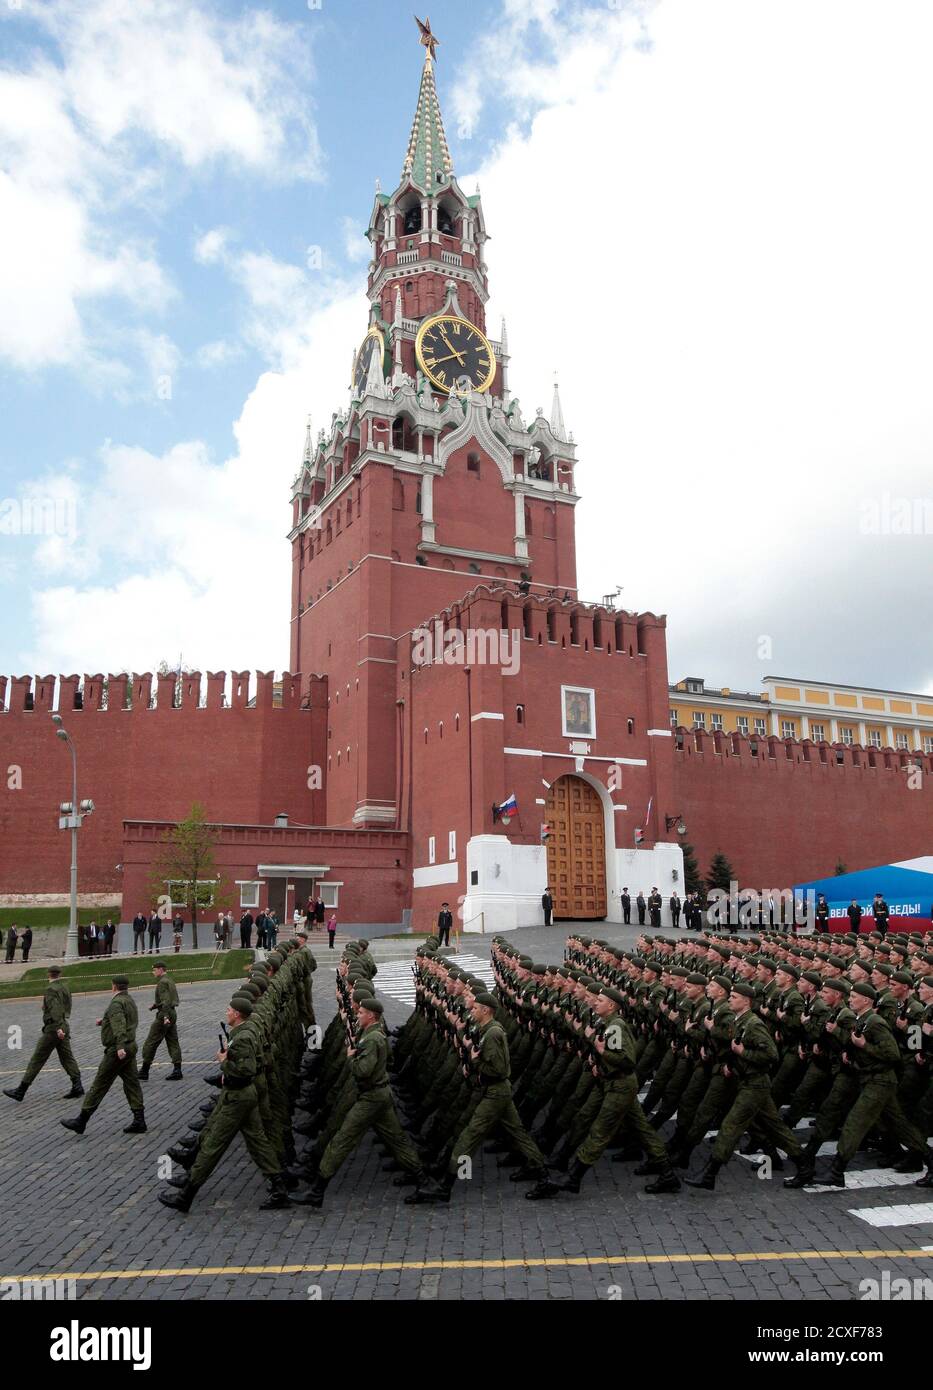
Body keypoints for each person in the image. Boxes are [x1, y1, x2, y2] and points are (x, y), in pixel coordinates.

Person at [406, 992, 558, 1204]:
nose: (472, 1010)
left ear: (486, 1010)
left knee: (470, 1136)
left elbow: (498, 1069)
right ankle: (543, 1176)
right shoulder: (485, 1029)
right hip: (496, 1090)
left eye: (476, 1008)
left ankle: (447, 1185)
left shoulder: (493, 1033)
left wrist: (475, 1061)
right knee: (518, 1133)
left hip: (495, 1091)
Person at [157, 995, 290, 1213]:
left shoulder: (243, 1037)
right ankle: (279, 1188)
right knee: (258, 1143)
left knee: (213, 1145)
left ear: (237, 1014)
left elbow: (246, 1070)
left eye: (229, 1009)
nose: (227, 1012)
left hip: (238, 1097)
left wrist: (224, 1063)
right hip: (244, 1095)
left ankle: (186, 1195)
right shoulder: (243, 1032)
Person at [291, 997, 427, 1209]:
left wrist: (351, 1057)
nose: (358, 1015)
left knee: (342, 1140)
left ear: (371, 1016)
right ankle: (425, 1182)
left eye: (362, 1012)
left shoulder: (372, 1039)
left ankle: (317, 1190)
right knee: (397, 1141)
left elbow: (363, 1070)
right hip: (379, 1094)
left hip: (371, 1098)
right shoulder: (374, 1035)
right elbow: (389, 1060)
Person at [60, 976, 146, 1136]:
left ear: (114, 986)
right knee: (132, 1083)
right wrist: (105, 1021)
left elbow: (119, 1026)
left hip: (117, 1050)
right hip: (130, 1046)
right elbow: (126, 1020)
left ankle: (81, 1121)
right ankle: (139, 1120)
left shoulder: (116, 1003)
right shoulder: (129, 1000)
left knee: (100, 1083)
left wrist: (120, 1046)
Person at [3, 966, 83, 1103]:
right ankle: (77, 1086)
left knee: (37, 1058)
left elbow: (55, 1008)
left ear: (48, 974)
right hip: (64, 1024)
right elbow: (65, 1005)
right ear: (60, 974)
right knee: (67, 1057)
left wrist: (58, 1027)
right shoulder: (64, 987)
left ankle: (21, 1090)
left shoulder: (51, 989)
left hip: (54, 1029)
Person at [139, 961, 183, 1081]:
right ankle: (177, 1069)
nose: (153, 972)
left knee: (151, 1042)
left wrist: (165, 1016)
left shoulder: (162, 982)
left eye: (154, 970)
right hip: (172, 1012)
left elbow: (166, 1000)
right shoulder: (169, 980)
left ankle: (144, 1070)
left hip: (165, 1013)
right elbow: (169, 999)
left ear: (160, 969)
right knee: (173, 1041)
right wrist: (156, 1005)